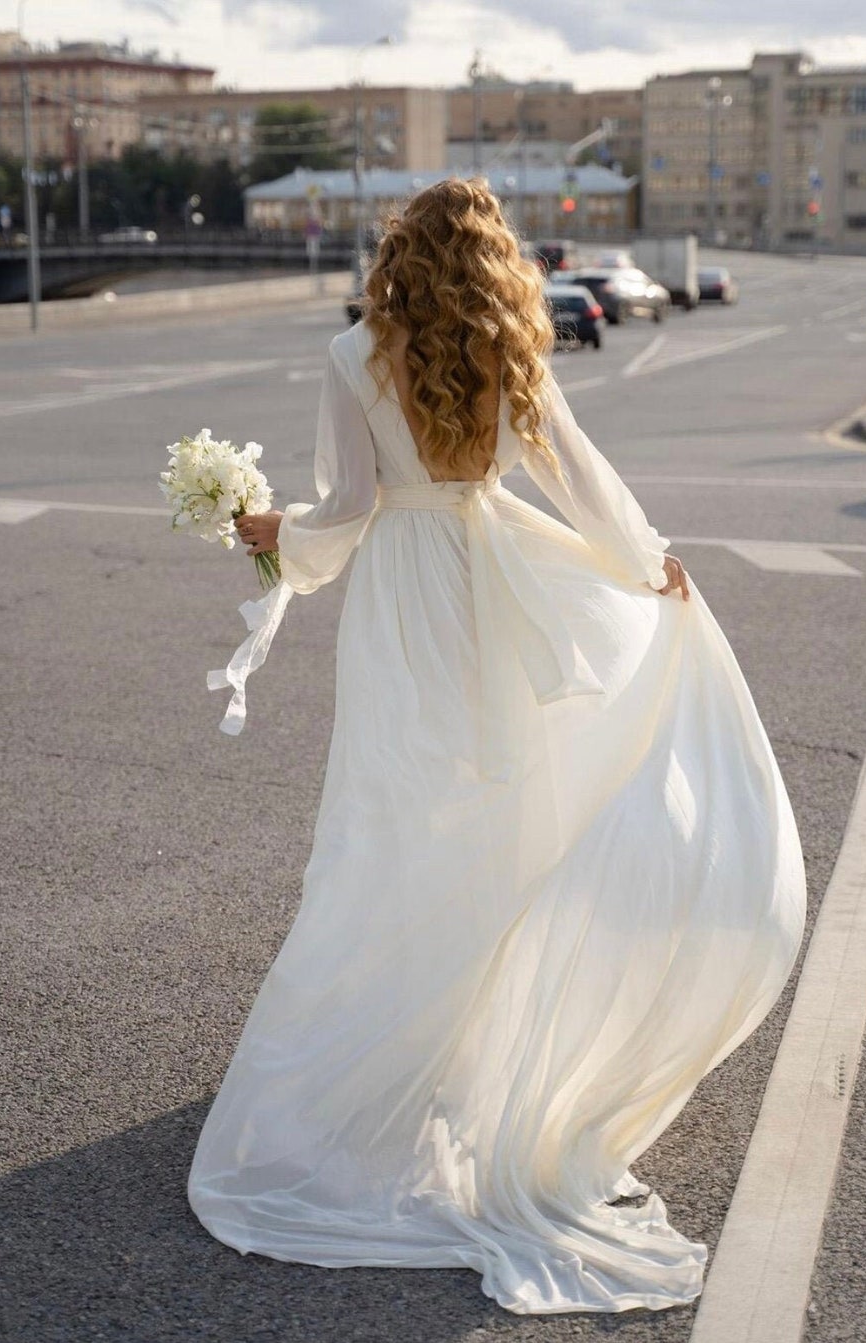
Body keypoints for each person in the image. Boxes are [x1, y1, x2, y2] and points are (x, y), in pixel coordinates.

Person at [188, 178, 806, 1315]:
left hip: (405, 601)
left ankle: (388, 1051)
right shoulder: (510, 343)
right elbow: (573, 470)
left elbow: (352, 507)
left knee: (401, 817)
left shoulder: (350, 354)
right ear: (491, 258)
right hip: (504, 583)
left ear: (398, 252)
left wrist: (275, 537)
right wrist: (643, 560)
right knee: (509, 813)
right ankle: (478, 1053)